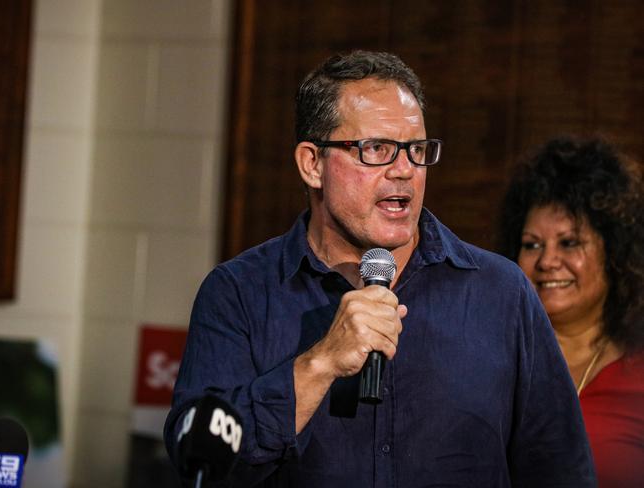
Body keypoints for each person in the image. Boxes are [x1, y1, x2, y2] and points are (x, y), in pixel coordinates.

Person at [164, 51, 596, 487]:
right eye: (377, 149)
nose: (405, 170)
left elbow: (562, 471)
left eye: (417, 150)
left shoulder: (501, 294)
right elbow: (202, 469)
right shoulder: (239, 294)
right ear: (312, 164)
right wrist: (320, 364)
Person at [498, 136, 644, 487]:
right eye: (532, 244)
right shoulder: (488, 361)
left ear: (616, 256)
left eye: (570, 242)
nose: (547, 261)